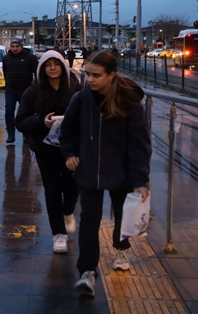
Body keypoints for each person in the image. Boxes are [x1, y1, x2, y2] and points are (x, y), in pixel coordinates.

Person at [59, 51, 151, 298]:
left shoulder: (128, 102)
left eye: (96, 75)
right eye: (88, 74)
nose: (90, 79)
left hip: (121, 171)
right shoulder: (80, 99)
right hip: (88, 171)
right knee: (89, 220)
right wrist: (69, 154)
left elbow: (139, 143)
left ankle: (121, 248)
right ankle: (87, 271)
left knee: (122, 215)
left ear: (111, 75)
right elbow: (67, 132)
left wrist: (140, 180)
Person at [15, 50, 81, 254]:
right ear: (42, 68)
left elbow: (87, 114)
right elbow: (20, 121)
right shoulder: (33, 91)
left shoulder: (75, 88)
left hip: (71, 148)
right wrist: (41, 121)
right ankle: (58, 234)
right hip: (45, 148)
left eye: (56, 64)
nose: (52, 68)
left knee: (72, 186)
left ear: (63, 65)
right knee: (52, 190)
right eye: (48, 64)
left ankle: (68, 210)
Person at [1, 37, 38, 144]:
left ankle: (26, 134)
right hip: (11, 90)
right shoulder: (6, 58)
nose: (15, 48)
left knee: (25, 113)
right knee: (9, 111)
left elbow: (37, 72)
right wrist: (7, 84)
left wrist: (34, 87)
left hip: (26, 90)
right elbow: (5, 71)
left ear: (21, 47)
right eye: (12, 46)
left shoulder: (30, 58)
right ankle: (10, 135)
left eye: (17, 46)